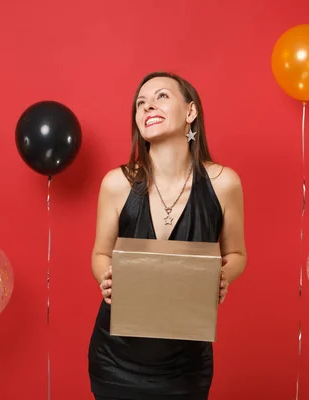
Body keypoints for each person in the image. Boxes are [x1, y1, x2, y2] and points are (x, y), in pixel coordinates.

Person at [87, 71, 247, 400]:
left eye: (161, 96)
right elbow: (100, 253)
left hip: (185, 363)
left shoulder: (224, 182)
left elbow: (237, 255)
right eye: (140, 103)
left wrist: (220, 275)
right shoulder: (116, 183)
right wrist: (106, 277)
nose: (147, 107)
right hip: (116, 359)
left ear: (191, 112)